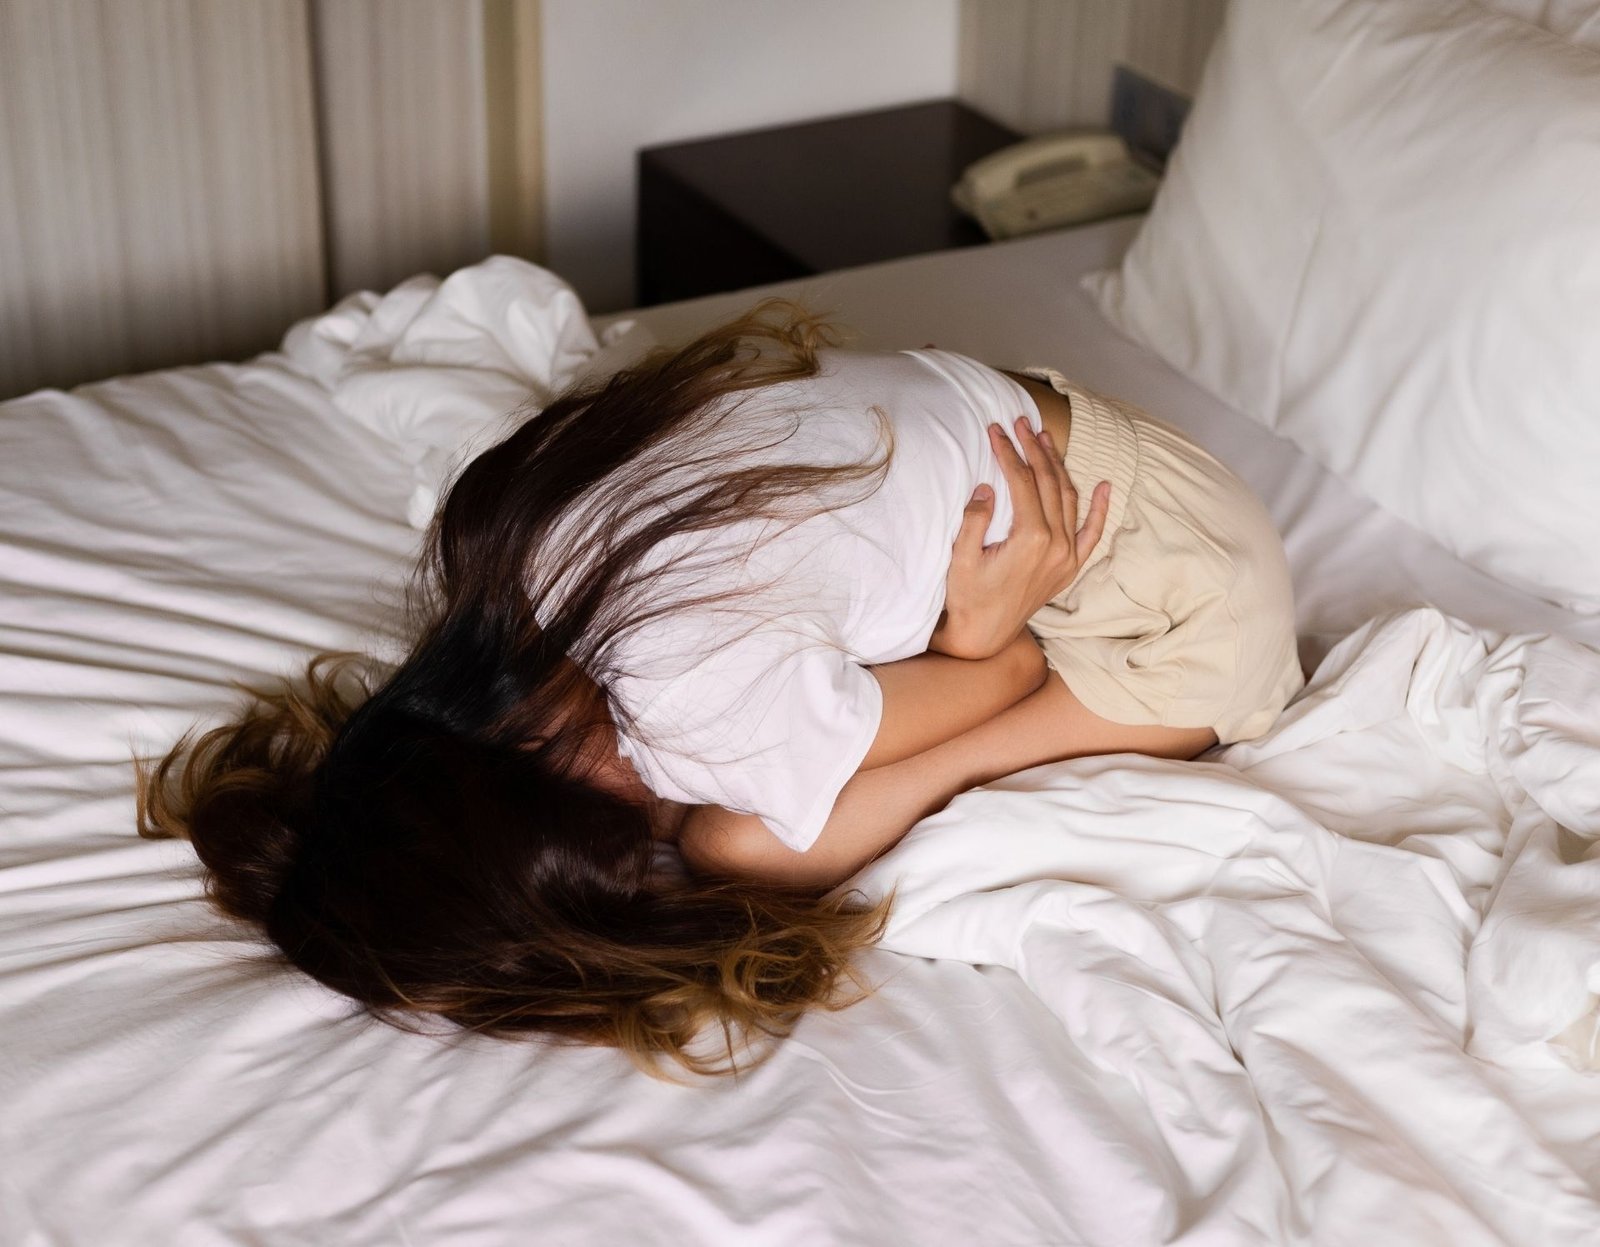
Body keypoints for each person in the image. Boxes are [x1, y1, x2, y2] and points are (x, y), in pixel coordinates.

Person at [138, 302, 1302, 1074]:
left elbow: (999, 665)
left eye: (609, 825)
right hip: (1060, 435)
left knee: (747, 844)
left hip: (1173, 586)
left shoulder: (694, 717)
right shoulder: (499, 542)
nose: (644, 815)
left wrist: (980, 631)